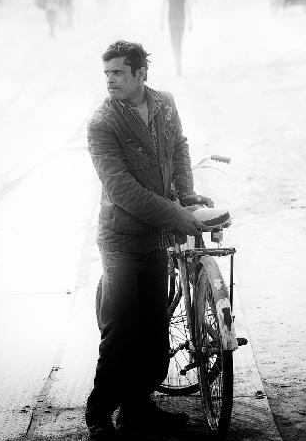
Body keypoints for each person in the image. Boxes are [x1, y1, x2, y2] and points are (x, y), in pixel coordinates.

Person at [85, 40, 213, 440]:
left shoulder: (164, 104)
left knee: (155, 330)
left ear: (141, 74)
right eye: (107, 73)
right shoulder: (102, 122)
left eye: (118, 73)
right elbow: (121, 188)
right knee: (121, 330)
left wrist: (187, 194)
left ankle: (137, 407)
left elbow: (178, 148)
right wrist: (177, 214)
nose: (110, 81)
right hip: (120, 239)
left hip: (157, 236)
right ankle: (99, 412)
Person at [164, 0, 190, 76]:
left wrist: (160, 20)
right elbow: (187, 3)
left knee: (174, 42)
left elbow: (164, 3)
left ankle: (177, 65)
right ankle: (179, 66)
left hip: (171, 18)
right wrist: (191, 20)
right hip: (181, 18)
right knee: (179, 42)